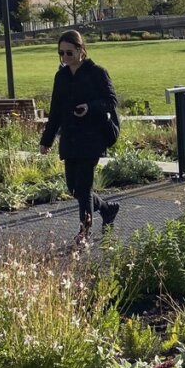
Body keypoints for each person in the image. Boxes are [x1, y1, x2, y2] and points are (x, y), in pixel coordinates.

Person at [39, 30, 119, 247]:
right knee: (74, 189)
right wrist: (47, 140)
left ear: (81, 51)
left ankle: (85, 232)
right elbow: (55, 110)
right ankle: (107, 208)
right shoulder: (61, 76)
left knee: (83, 188)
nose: (65, 58)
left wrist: (89, 107)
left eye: (69, 53)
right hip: (70, 138)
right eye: (61, 54)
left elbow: (111, 101)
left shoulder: (97, 73)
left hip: (92, 137)